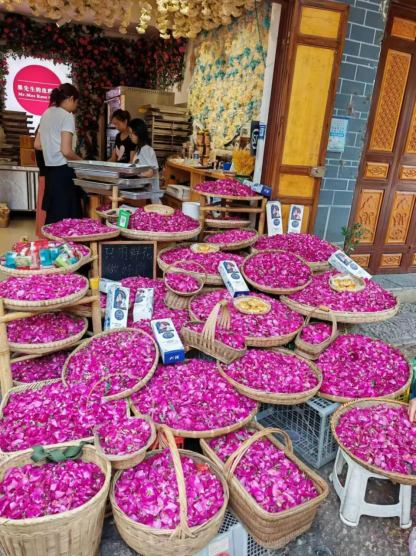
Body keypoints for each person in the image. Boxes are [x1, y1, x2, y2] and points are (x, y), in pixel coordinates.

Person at [35, 84, 83, 224]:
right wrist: (81, 162)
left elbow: (37, 144)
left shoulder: (46, 113)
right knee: (68, 217)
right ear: (71, 98)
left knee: (54, 216)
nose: (75, 106)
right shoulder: (66, 116)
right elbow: (66, 151)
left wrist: (51, 148)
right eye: (76, 102)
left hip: (50, 172)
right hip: (64, 172)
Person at [129, 118, 159, 187]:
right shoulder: (140, 149)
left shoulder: (145, 149)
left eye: (131, 133)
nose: (130, 136)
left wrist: (133, 175)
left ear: (137, 133)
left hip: (148, 190)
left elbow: (149, 172)